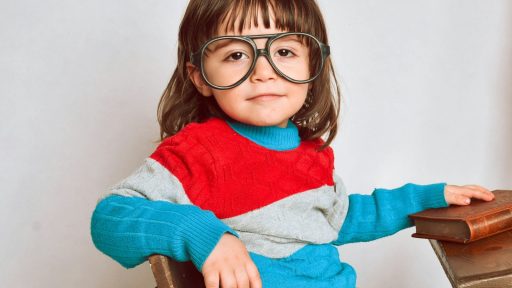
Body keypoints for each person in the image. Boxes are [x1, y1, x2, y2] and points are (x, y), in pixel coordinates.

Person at [90, 1, 495, 287]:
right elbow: (110, 218)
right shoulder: (199, 151)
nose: (263, 71)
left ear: (312, 66)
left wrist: (426, 198)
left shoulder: (312, 155)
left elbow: (338, 220)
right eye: (235, 55)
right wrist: (204, 235)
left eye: (284, 50)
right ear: (200, 77)